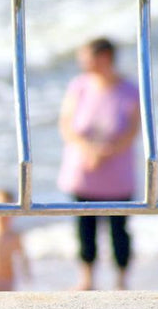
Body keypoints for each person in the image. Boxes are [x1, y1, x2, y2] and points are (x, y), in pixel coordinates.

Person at [57, 37, 141, 290]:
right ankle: (86, 278)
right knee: (84, 228)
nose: (82, 62)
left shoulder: (129, 90)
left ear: (104, 57)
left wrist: (106, 152)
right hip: (83, 170)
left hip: (117, 172)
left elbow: (134, 130)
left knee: (119, 230)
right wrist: (89, 151)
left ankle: (122, 281)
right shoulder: (79, 86)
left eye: (87, 56)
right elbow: (66, 125)